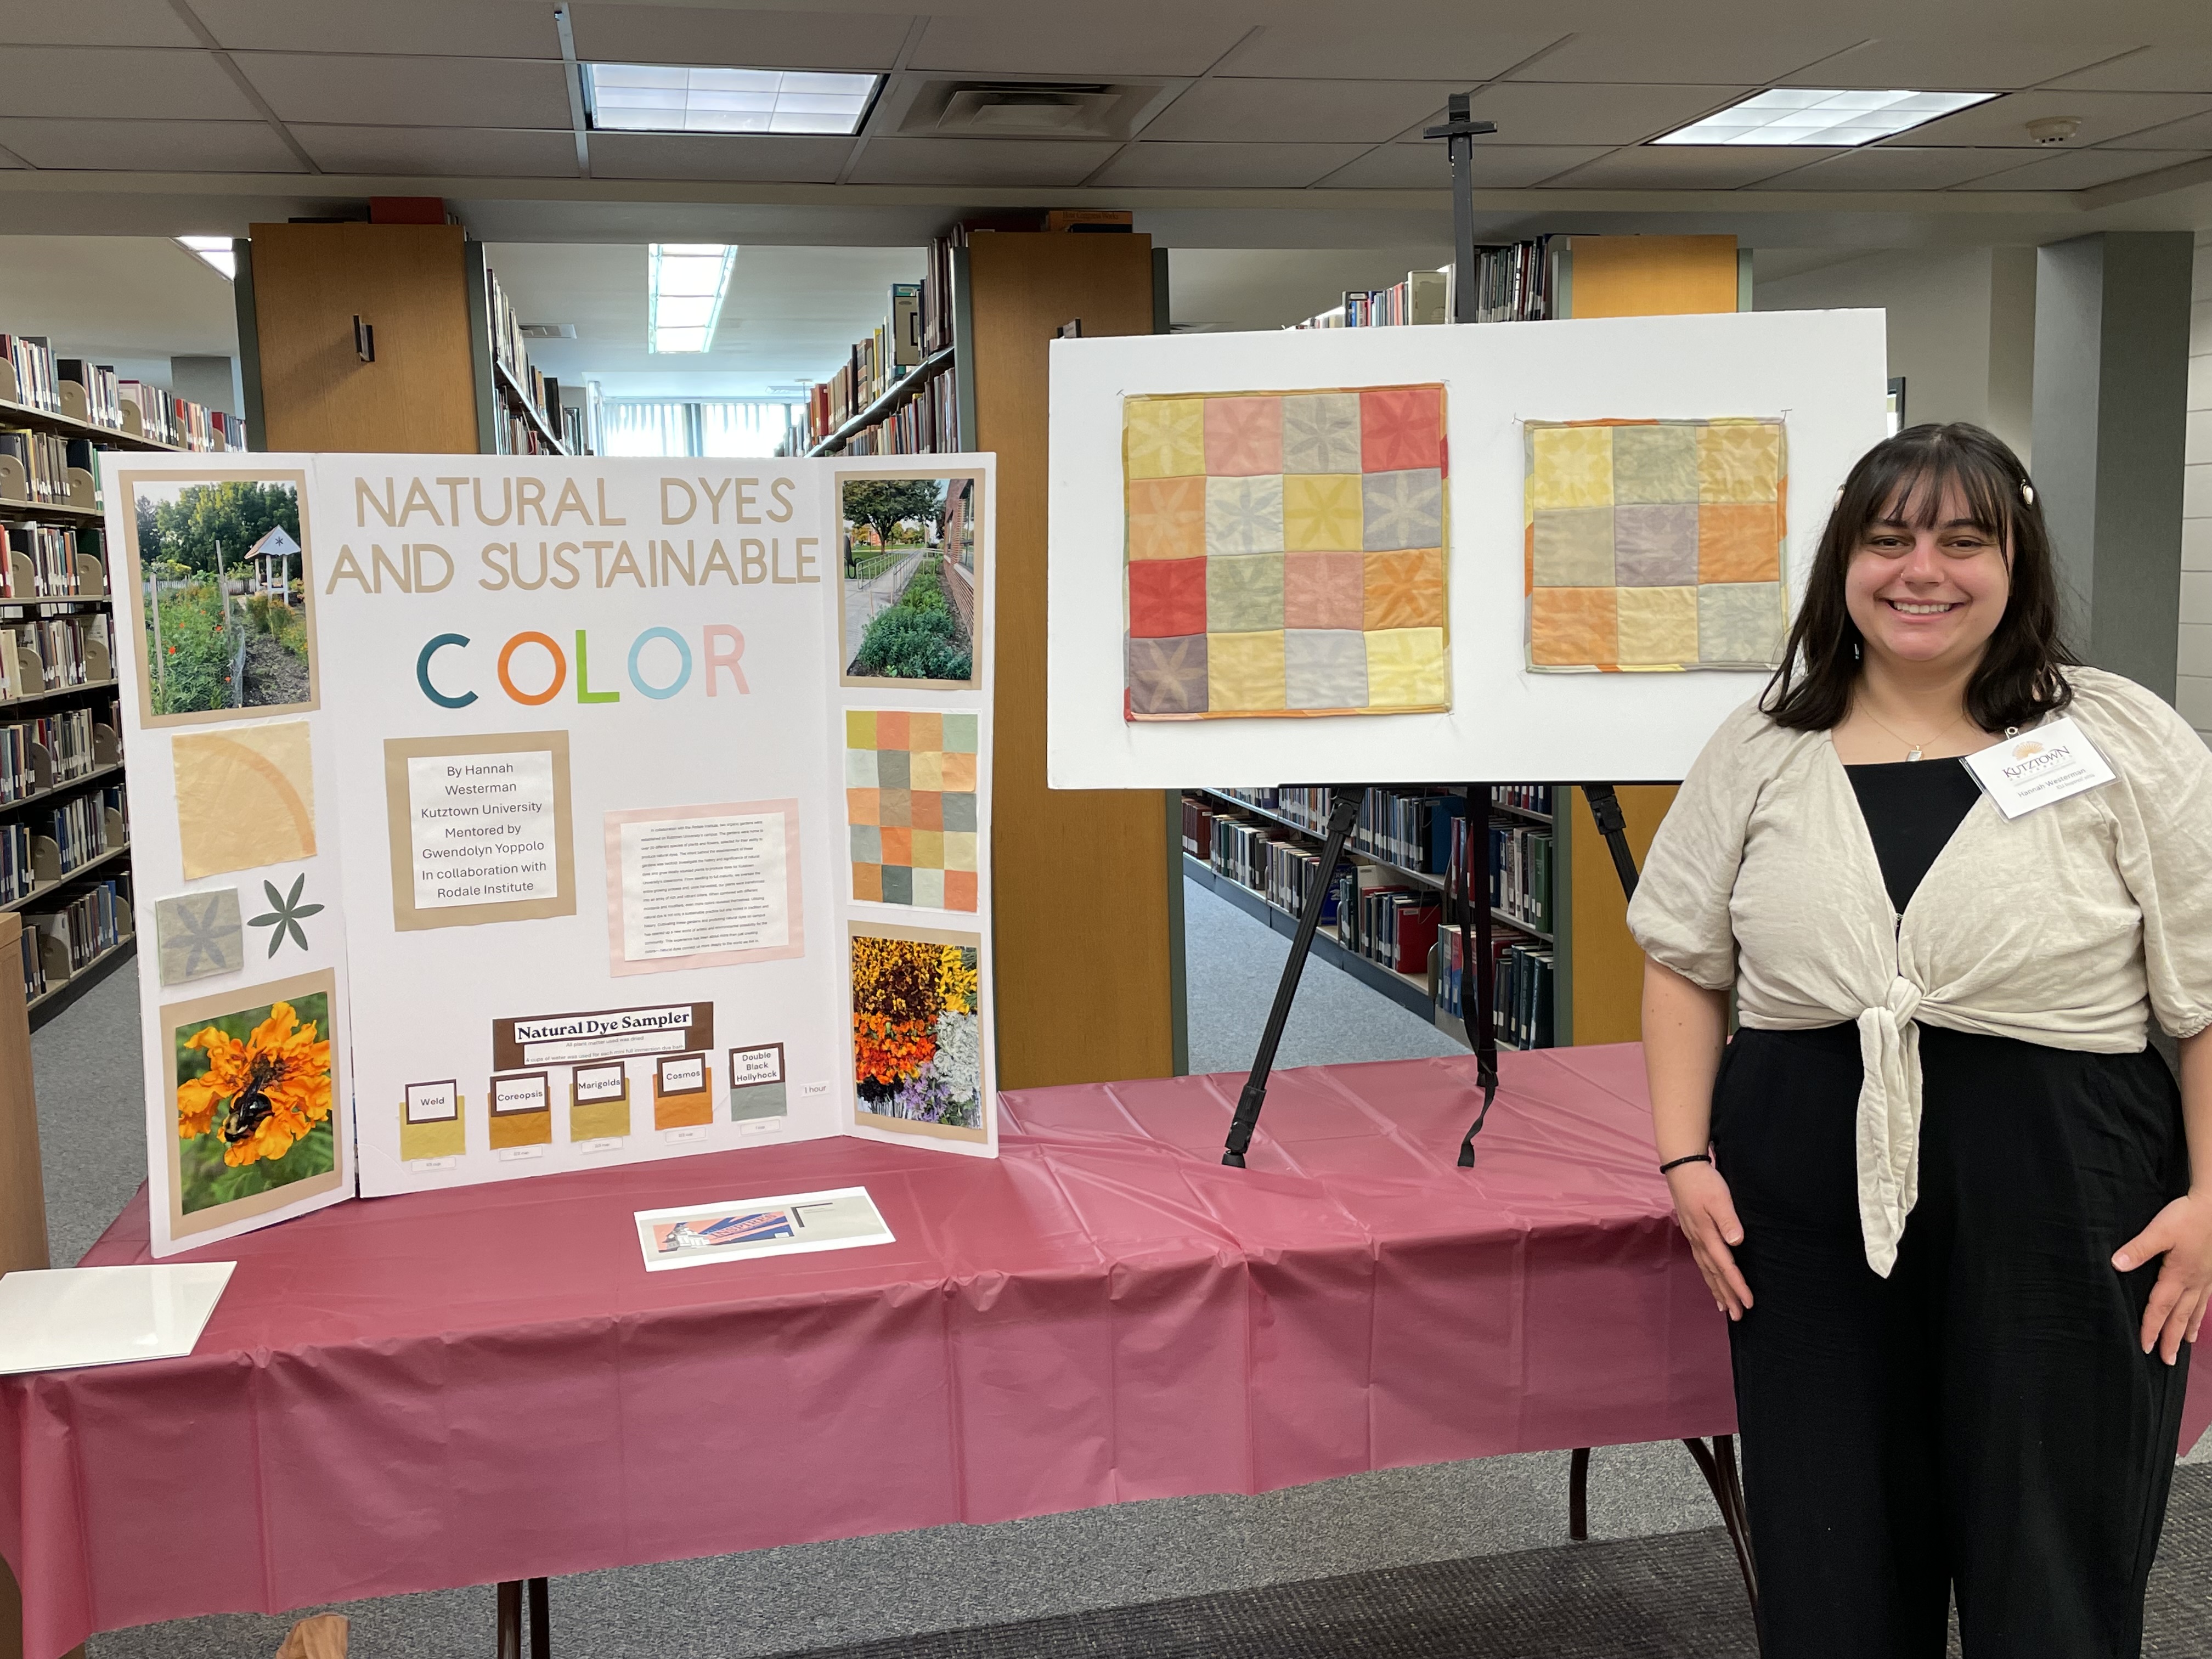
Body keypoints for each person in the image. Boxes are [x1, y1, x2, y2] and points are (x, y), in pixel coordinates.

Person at [1626, 422, 2212, 1658]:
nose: (1921, 571)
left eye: (1964, 539)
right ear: (1846, 560)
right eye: (1888, 540)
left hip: (2066, 1188)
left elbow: (2206, 993)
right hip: (1801, 1193)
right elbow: (1683, 961)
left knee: (2052, 1547)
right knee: (1831, 1549)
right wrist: (1684, 1163)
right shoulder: (1761, 749)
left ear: (2018, 561)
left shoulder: (2119, 740)